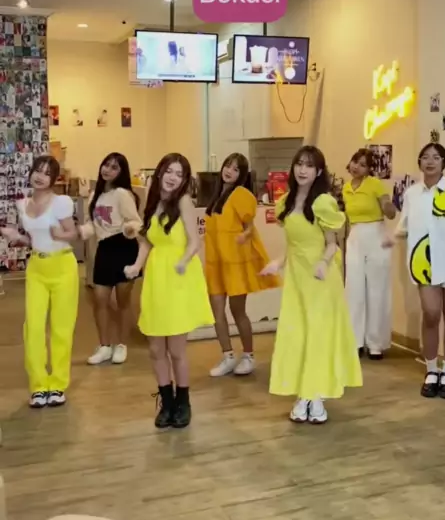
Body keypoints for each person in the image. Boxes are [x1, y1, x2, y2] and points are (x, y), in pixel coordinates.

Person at [261, 146, 362, 424]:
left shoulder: (323, 202)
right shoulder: (286, 201)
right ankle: (303, 393)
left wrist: (323, 264)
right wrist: (278, 263)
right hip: (297, 278)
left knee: (318, 333)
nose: (302, 170)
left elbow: (331, 244)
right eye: (299, 164)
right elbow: (293, 245)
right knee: (298, 333)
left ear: (318, 172)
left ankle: (315, 394)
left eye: (308, 165)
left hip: (320, 278)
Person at [384, 142, 445, 400]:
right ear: (420, 162)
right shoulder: (412, 194)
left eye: (436, 157)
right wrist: (392, 239)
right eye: (425, 157)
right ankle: (431, 370)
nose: (430, 161)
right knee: (431, 313)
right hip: (424, 265)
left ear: (443, 163)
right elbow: (404, 225)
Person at [125, 153, 213, 429]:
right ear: (160, 172)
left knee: (176, 349)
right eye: (169, 171)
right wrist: (136, 266)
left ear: (184, 180)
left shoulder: (184, 202)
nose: (173, 177)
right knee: (155, 348)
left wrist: (183, 262)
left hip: (178, 277)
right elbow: (147, 241)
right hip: (156, 277)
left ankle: (183, 402)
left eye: (179, 174)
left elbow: (195, 241)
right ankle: (166, 400)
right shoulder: (153, 202)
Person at [0, 155, 79, 408]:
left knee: (61, 328)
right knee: (33, 328)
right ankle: (38, 386)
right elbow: (34, 240)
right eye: (38, 170)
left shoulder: (61, 203)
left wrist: (60, 234)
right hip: (37, 267)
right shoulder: (23, 204)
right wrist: (16, 236)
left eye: (47, 173)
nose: (40, 176)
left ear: (53, 179)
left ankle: (57, 384)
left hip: (63, 265)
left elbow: (73, 233)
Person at [205, 153, 279, 377]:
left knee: (238, 311)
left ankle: (248, 356)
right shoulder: (216, 194)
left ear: (242, 175)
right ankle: (227, 355)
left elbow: (249, 227)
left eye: (236, 169)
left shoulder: (241, 195)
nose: (229, 171)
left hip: (235, 262)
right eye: (228, 166)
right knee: (217, 312)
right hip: (215, 262)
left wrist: (243, 236)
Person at [70, 153, 142, 366]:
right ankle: (104, 346)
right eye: (106, 165)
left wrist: (129, 229)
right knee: (100, 299)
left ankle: (121, 345)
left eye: (114, 167)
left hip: (124, 247)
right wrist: (78, 232)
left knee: (122, 301)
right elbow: (93, 225)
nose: (107, 170)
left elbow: (135, 222)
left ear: (121, 173)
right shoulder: (96, 195)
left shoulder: (122, 194)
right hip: (104, 249)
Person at [343, 148, 396, 359]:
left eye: (363, 165)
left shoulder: (375, 184)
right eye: (355, 161)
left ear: (369, 169)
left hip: (376, 235)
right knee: (354, 290)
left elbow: (387, 207)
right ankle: (355, 340)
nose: (357, 167)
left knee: (376, 290)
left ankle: (375, 343)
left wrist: (389, 207)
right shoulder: (346, 188)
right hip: (355, 237)